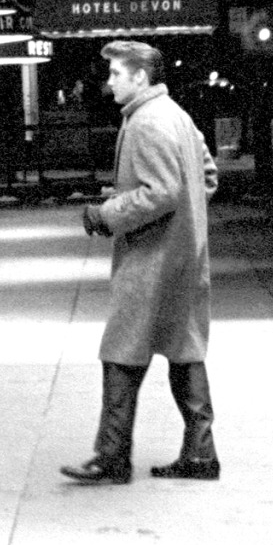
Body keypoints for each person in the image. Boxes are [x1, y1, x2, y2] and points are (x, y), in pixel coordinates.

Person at [61, 38, 220, 485]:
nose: (109, 82)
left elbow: (161, 192)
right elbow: (205, 178)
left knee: (121, 353)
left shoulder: (147, 122)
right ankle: (201, 453)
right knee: (185, 351)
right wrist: (188, 222)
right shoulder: (178, 116)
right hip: (183, 256)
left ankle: (112, 457)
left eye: (115, 73)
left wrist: (106, 214)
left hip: (151, 260)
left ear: (140, 78)